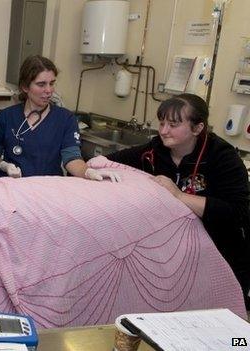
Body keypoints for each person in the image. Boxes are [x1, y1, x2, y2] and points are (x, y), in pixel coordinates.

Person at [106, 93, 250, 308]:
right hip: (174, 258)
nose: (164, 131)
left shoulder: (222, 157)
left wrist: (179, 196)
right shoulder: (155, 150)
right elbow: (111, 163)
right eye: (162, 123)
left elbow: (238, 213)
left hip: (220, 258)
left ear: (197, 128)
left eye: (173, 125)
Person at [0, 55, 119, 182]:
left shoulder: (65, 119)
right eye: (41, 84)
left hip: (47, 189)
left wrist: (88, 172)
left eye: (52, 83)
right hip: (11, 187)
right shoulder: (6, 117)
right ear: (25, 86)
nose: (49, 90)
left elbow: (71, 158)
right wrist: (4, 166)